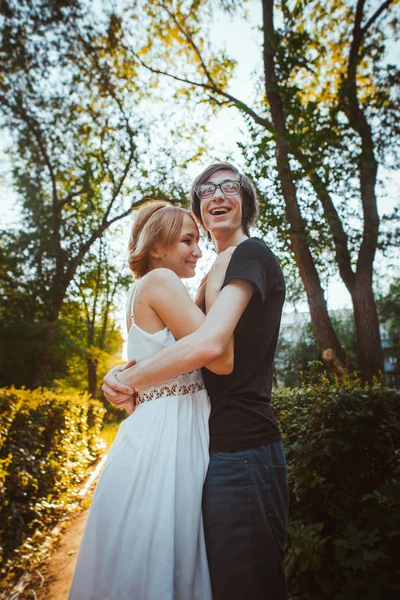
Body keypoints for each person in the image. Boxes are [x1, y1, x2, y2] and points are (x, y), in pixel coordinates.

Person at [104, 162, 288, 600]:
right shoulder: (212, 274)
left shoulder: (250, 255)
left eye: (229, 187)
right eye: (206, 191)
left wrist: (130, 380)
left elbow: (211, 348)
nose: (217, 196)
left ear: (246, 201)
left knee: (246, 584)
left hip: (243, 447)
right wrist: (124, 371)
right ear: (199, 210)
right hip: (212, 448)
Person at [69, 201, 235, 600]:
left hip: (162, 424)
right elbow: (218, 353)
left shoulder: (146, 289)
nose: (198, 250)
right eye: (187, 241)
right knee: (165, 547)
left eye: (198, 240)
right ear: (156, 247)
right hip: (167, 434)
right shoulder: (161, 281)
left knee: (152, 551)